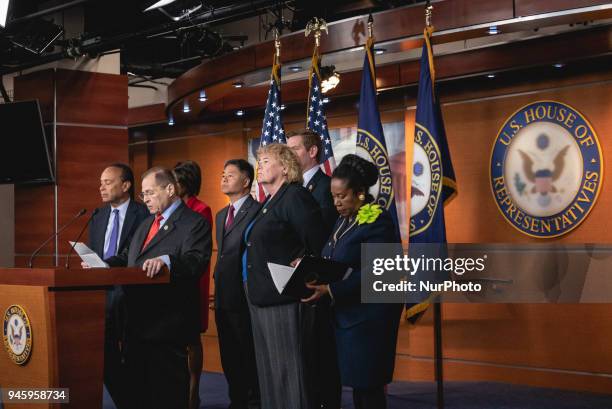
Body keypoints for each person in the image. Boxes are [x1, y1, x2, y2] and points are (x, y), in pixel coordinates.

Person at [105, 166, 212, 409]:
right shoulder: (145, 224)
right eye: (143, 195)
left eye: (151, 193)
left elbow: (196, 261)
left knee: (166, 397)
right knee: (137, 396)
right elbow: (127, 257)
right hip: (135, 327)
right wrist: (100, 265)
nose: (146, 199)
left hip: (166, 329)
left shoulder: (193, 223)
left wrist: (166, 261)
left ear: (171, 189)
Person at [302, 154, 403, 409]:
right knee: (359, 387)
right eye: (333, 196)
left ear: (359, 193)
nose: (336, 202)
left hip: (370, 318)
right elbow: (335, 258)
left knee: (368, 388)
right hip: (348, 316)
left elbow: (381, 271)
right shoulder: (345, 219)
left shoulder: (377, 218)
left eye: (342, 196)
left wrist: (332, 289)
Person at [244, 143, 327, 409]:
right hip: (261, 297)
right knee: (270, 375)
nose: (260, 166)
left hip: (285, 299)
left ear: (284, 166)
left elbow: (317, 241)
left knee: (289, 376)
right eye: (259, 162)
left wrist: (305, 263)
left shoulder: (294, 196)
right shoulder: (268, 202)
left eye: (266, 161)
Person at [287, 129, 341, 409]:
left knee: (322, 355)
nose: (289, 154)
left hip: (318, 283)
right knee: (305, 356)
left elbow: (322, 237)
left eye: (294, 149)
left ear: (312, 152)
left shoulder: (326, 186)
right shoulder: (292, 189)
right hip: (296, 283)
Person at [88, 163, 149, 409]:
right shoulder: (97, 215)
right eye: (101, 182)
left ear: (126, 185)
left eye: (108, 182)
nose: (101, 187)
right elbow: (95, 252)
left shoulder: (143, 214)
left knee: (134, 356)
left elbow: (134, 253)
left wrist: (106, 265)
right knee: (105, 355)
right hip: (101, 294)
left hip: (132, 294)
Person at [214, 159, 261, 409]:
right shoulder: (221, 215)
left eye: (229, 175)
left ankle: (253, 401)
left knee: (247, 354)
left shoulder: (257, 210)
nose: (223, 178)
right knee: (228, 356)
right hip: (223, 295)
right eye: (222, 174)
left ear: (245, 181)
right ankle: (237, 400)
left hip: (244, 297)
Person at [173, 160, 213, 409]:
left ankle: (193, 390)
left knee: (192, 338)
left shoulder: (201, 209)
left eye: (175, 181)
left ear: (186, 182)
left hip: (191, 281)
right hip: (170, 281)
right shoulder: (171, 208)